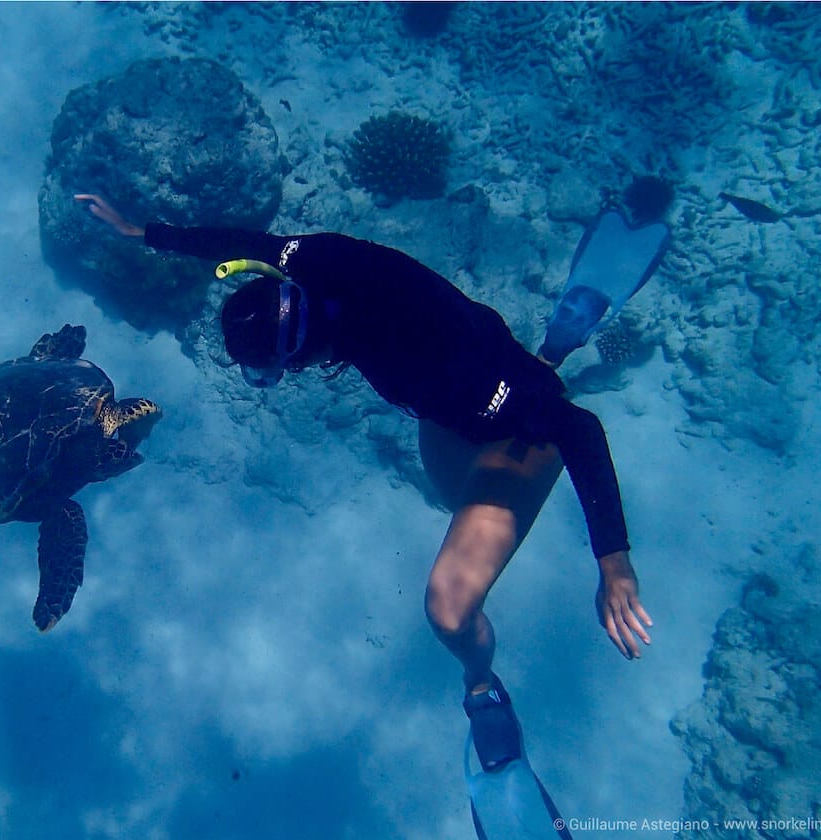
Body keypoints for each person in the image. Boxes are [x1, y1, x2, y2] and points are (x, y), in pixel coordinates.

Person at [74, 193, 652, 773]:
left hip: (515, 429)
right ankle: (550, 351)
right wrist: (143, 231)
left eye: (277, 371)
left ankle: (482, 685)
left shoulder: (432, 360)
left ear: (298, 356)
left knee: (449, 607)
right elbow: (244, 245)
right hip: (462, 399)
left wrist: (612, 561)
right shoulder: (317, 266)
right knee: (453, 499)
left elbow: (578, 429)